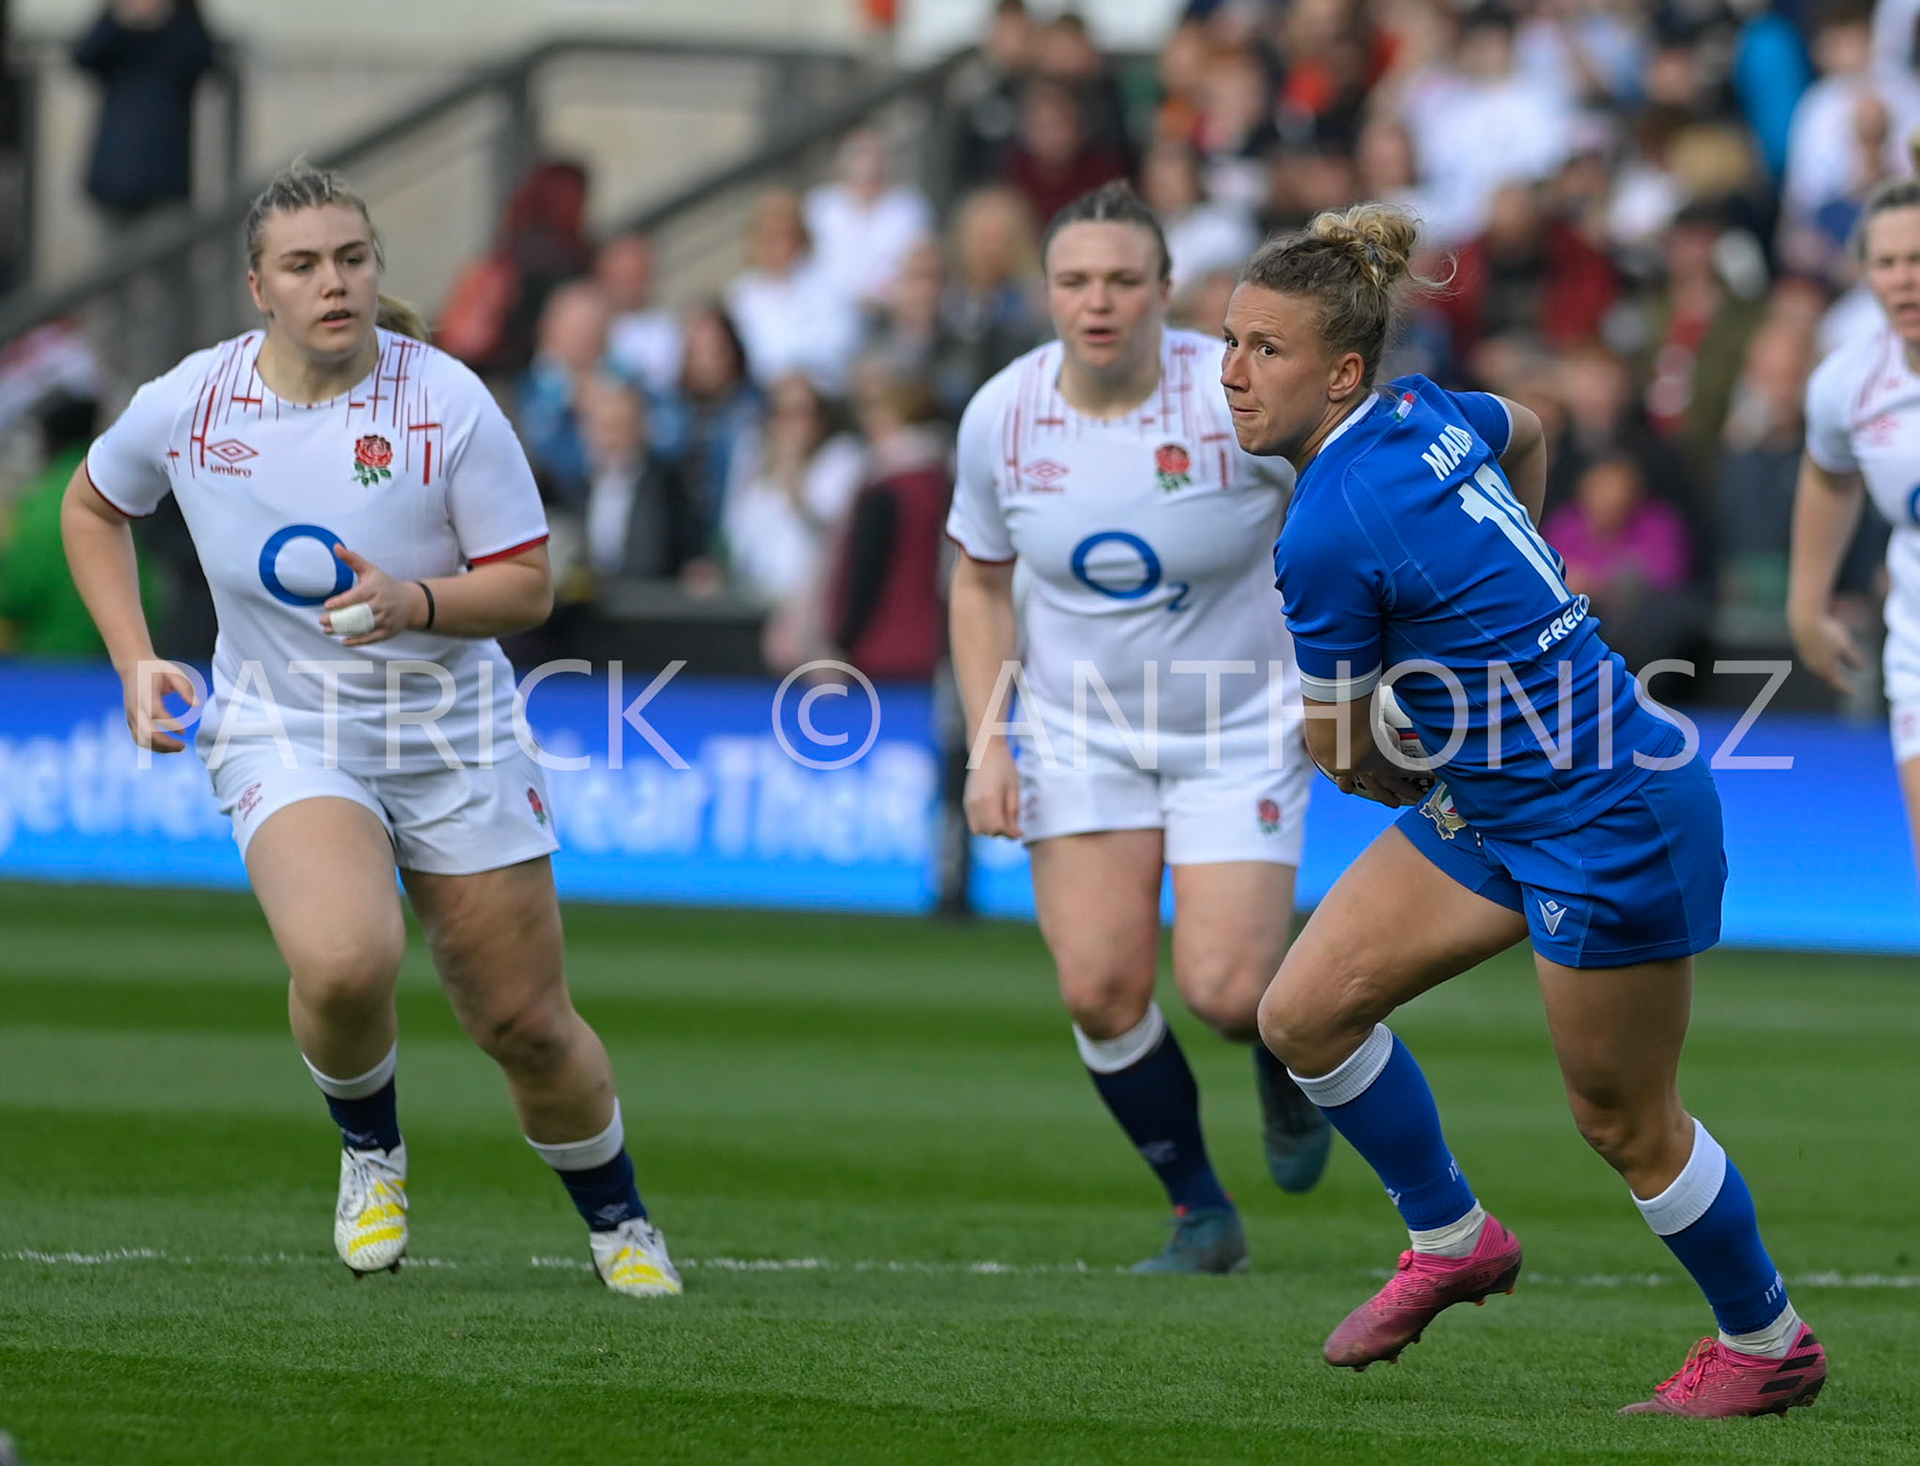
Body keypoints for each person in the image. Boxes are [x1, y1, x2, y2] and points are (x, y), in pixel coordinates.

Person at [1222, 201, 1825, 1414]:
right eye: (1229, 342)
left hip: (1607, 807)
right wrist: (1515, 587)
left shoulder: (1328, 528)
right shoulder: (1420, 410)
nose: (1233, 373)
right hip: (1506, 796)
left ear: (1341, 371)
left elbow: (1341, 751)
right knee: (1301, 1014)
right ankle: (1452, 1237)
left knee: (1623, 1119)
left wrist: (1394, 741)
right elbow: (1531, 428)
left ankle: (1767, 1341)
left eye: (1266, 351)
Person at [59, 160, 681, 1298]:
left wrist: (414, 601)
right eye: (303, 264)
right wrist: (136, 657)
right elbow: (94, 503)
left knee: (526, 1024)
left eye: (351, 258)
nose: (332, 282)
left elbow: (529, 584)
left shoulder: (444, 398)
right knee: (345, 958)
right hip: (285, 726)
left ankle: (617, 1212)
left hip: (454, 729)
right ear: (260, 286)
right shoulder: (194, 401)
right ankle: (370, 1150)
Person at [947, 182, 1329, 1275]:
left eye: (1122, 280)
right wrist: (993, 738)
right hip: (1079, 728)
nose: (1097, 301)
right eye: (1074, 280)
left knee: (1225, 989)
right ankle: (1199, 1212)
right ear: (1048, 291)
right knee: (1099, 988)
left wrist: (1346, 680)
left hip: (1239, 723)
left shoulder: (1233, 399)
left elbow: (1336, 513)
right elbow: (977, 583)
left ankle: (1283, 1042)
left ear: (1167, 291)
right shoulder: (1003, 415)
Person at [1793, 138, 1920, 870]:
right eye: (1888, 262)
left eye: (1918, 259)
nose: (1904, 280)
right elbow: (1830, 475)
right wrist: (1806, 608)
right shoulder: (1850, 383)